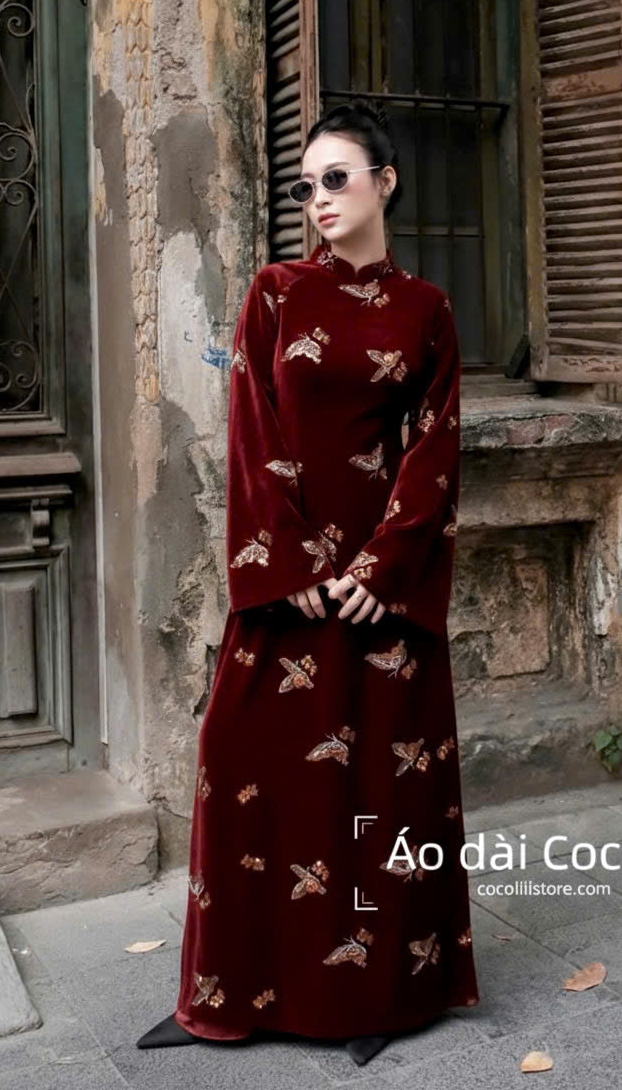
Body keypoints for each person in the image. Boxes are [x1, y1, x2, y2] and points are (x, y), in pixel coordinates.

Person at [137, 100, 480, 1065]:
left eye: (336, 178)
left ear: (385, 182)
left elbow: (435, 446)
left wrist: (383, 568)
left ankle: (374, 994)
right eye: (305, 185)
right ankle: (226, 992)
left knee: (374, 785)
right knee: (243, 761)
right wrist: (288, 563)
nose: (318, 198)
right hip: (286, 577)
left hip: (379, 586)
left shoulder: (427, 310)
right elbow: (253, 426)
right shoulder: (277, 292)